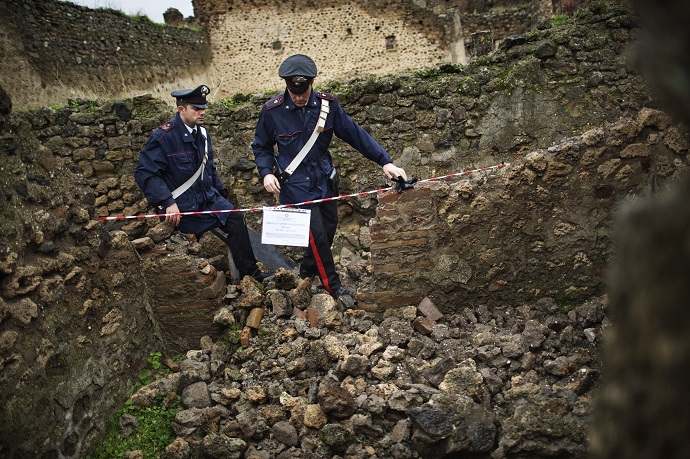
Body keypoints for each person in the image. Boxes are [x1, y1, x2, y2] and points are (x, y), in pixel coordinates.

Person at [251, 54, 408, 304]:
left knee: (329, 229)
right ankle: (332, 286)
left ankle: (306, 272)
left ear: (312, 83)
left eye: (303, 91)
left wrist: (385, 161)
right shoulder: (272, 111)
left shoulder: (328, 106)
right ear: (287, 86)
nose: (299, 96)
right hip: (296, 187)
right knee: (318, 237)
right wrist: (266, 172)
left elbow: (356, 135)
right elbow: (261, 146)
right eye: (294, 91)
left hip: (324, 180)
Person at [135, 84, 272, 282]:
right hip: (182, 206)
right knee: (185, 246)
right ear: (181, 109)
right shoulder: (164, 137)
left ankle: (250, 275)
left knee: (235, 218)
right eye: (196, 109)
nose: (202, 113)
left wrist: (221, 195)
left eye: (203, 108)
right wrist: (167, 202)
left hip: (207, 199)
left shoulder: (203, 134)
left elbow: (208, 168)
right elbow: (145, 173)